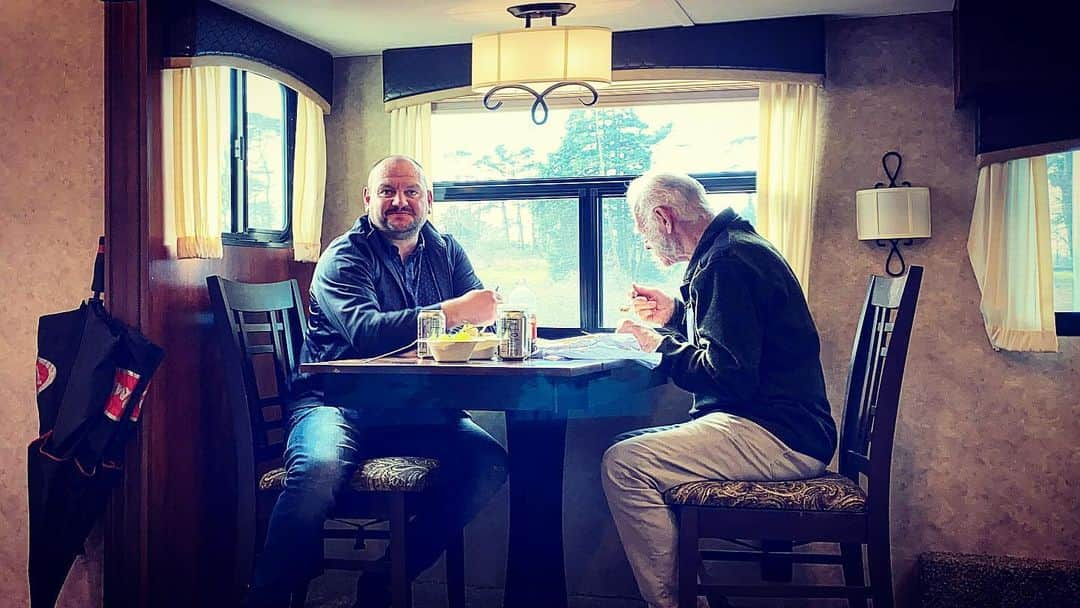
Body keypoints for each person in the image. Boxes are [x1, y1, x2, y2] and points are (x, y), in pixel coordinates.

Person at [247, 155, 508, 607]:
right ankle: (266, 599)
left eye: (410, 192)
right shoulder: (344, 256)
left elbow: (477, 322)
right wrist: (452, 312)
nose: (399, 201)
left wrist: (491, 321)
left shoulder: (447, 251)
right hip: (333, 403)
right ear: (369, 199)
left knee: (489, 463)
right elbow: (366, 333)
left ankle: (383, 584)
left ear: (428, 199)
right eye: (387, 191)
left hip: (415, 408)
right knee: (318, 469)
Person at [601, 172, 838, 608]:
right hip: (788, 427)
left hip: (776, 434)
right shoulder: (736, 248)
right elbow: (735, 343)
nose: (643, 239)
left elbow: (729, 375)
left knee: (624, 464)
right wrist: (675, 315)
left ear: (664, 217)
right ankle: (696, 594)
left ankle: (677, 604)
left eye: (642, 228)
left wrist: (658, 344)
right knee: (629, 448)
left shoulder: (726, 262)